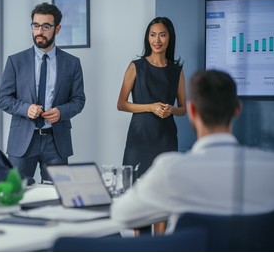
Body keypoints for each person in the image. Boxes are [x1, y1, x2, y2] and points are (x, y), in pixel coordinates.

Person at [111, 70, 274, 228]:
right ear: (237, 109)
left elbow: (121, 214)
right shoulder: (269, 167)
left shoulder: (170, 170)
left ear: (192, 111)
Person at [0, 2, 85, 184]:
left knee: (58, 194)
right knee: (15, 192)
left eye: (46, 26)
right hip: (22, 142)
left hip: (56, 141)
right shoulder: (15, 61)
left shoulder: (72, 63)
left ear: (57, 28)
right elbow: (3, 98)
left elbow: (78, 100)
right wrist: (25, 108)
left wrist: (61, 112)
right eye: (36, 26)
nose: (39, 31)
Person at [117, 17, 186, 178]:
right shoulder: (136, 66)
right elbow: (121, 104)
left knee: (166, 189)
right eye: (152, 35)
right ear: (147, 38)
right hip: (139, 138)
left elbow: (183, 109)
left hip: (166, 138)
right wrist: (150, 107)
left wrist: (172, 109)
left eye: (162, 35)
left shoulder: (177, 71)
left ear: (170, 37)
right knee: (133, 188)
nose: (157, 40)